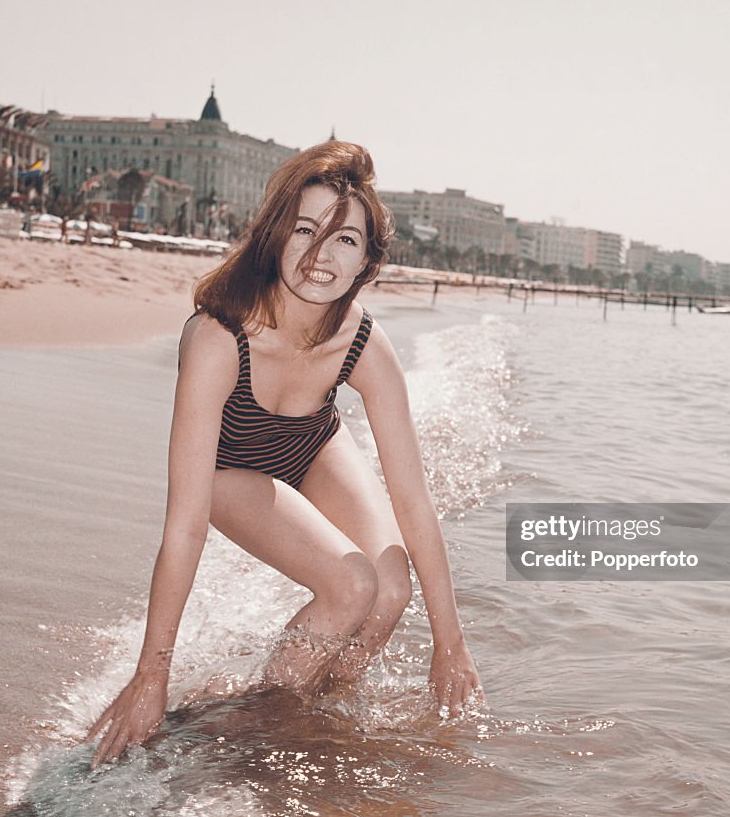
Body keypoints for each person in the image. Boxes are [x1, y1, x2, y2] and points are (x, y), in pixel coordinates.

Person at [86, 141, 483, 768]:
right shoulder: (220, 335)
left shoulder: (364, 342)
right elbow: (184, 523)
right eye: (305, 229)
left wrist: (450, 643)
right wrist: (149, 676)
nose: (322, 255)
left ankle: (307, 718)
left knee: (389, 590)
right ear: (276, 235)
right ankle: (261, 721)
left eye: (345, 240)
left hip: (311, 444)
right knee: (350, 585)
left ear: (367, 263)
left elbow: (413, 499)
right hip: (227, 469)